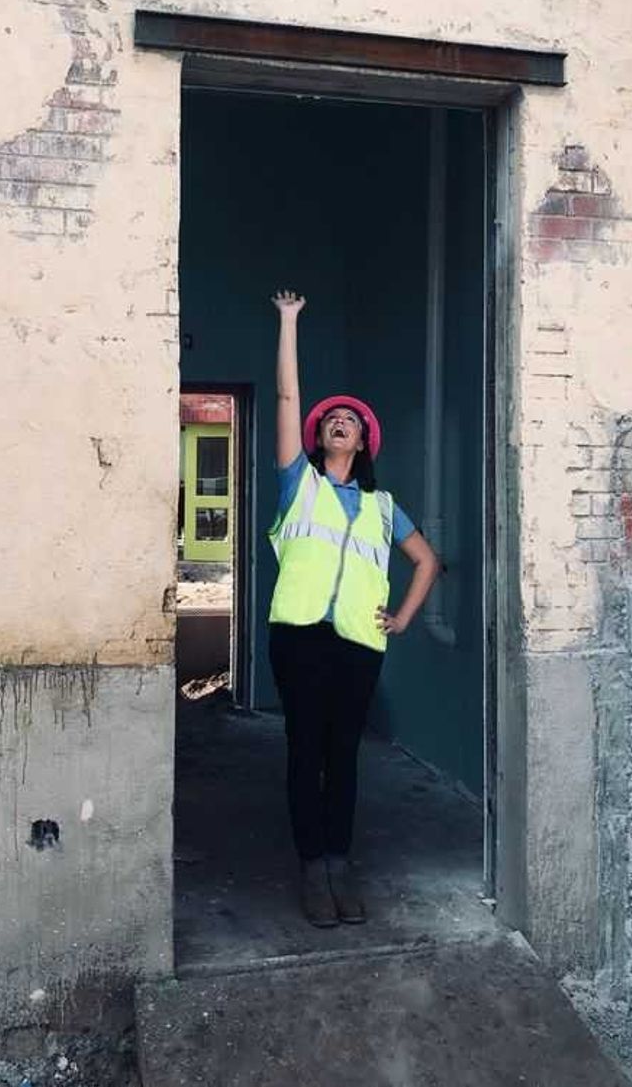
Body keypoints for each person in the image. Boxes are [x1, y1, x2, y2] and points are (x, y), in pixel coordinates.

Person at [268, 289, 442, 928]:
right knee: (303, 750)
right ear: (320, 436)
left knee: (343, 756)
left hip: (358, 643)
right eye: (332, 418)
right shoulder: (300, 485)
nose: (341, 420)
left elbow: (428, 561)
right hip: (300, 638)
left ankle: (340, 864)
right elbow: (287, 399)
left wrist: (402, 617)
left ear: (365, 440)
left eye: (352, 419)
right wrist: (289, 323)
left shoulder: (382, 505)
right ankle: (313, 869)